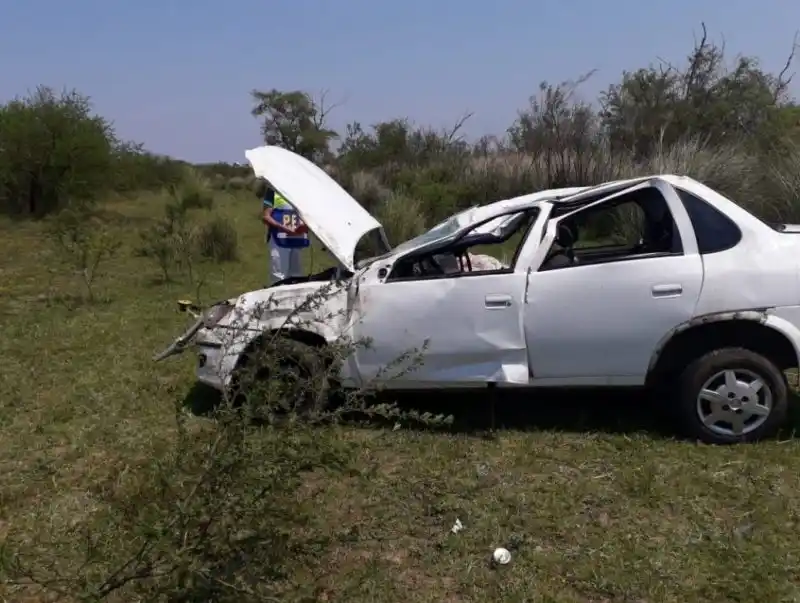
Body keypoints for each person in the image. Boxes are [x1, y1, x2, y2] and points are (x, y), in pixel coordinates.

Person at [262, 183, 309, 284]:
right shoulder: (272, 190)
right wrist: (285, 229)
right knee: (278, 276)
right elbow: (266, 217)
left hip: (296, 240)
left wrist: (305, 226)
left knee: (296, 276)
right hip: (279, 241)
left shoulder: (300, 191)